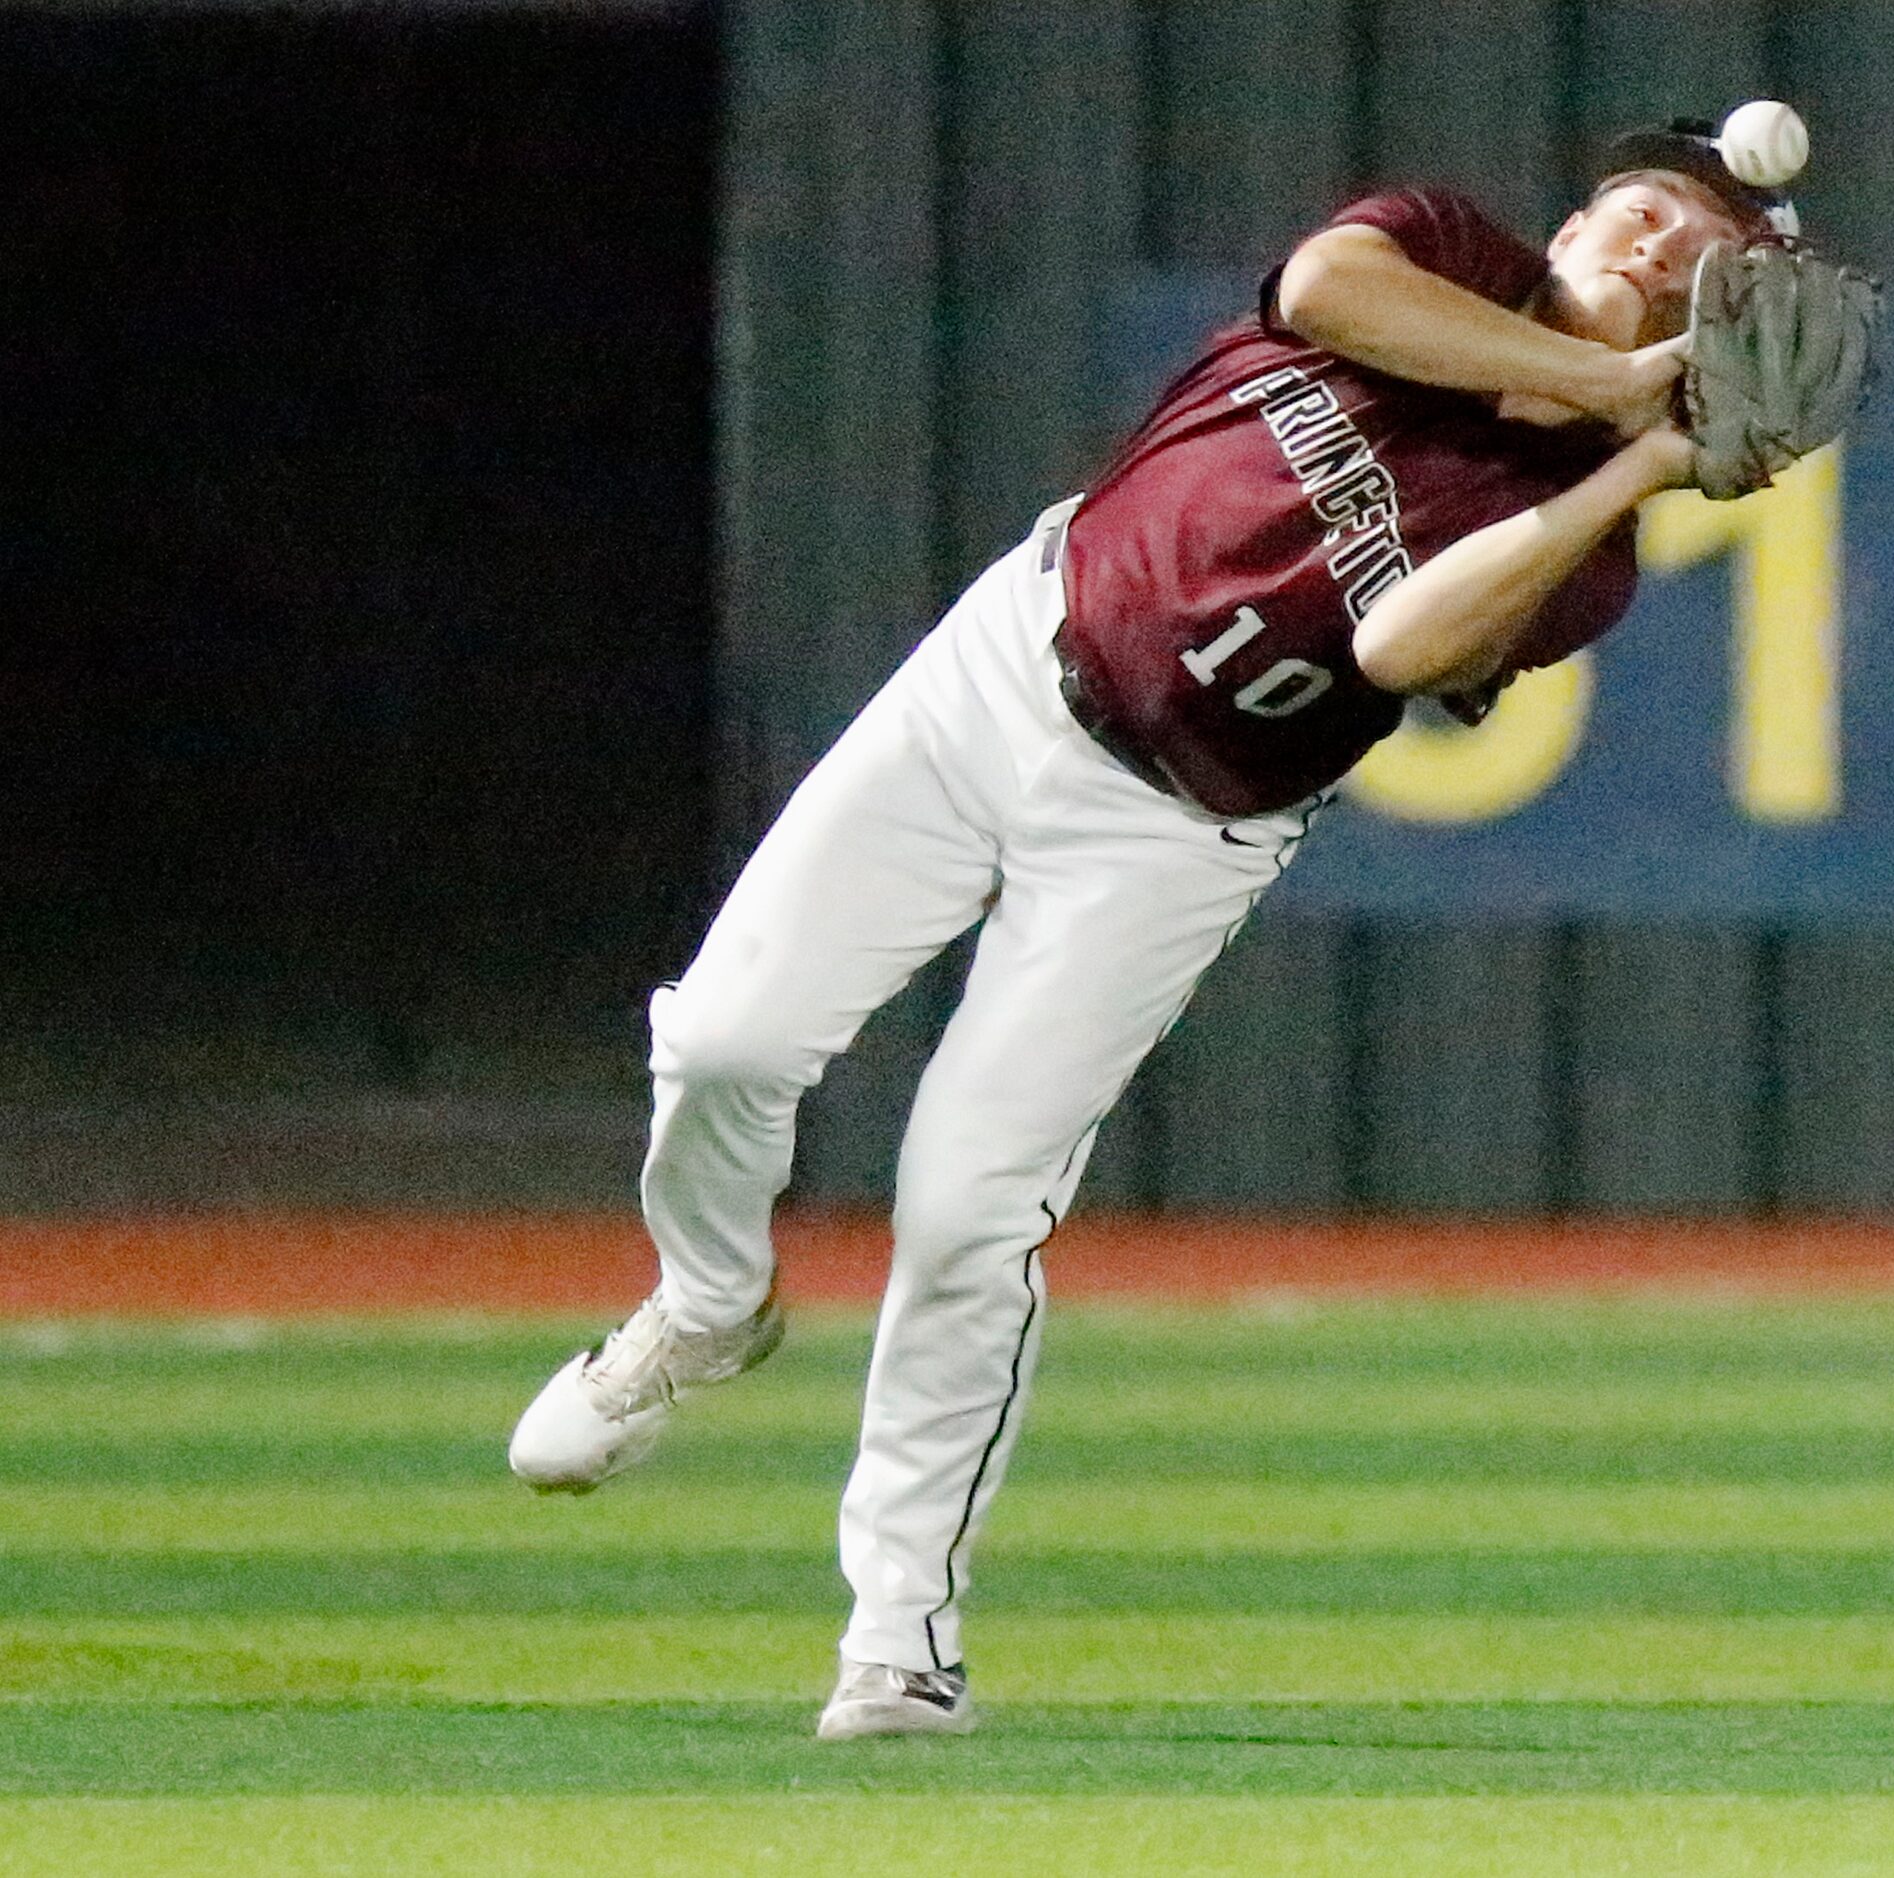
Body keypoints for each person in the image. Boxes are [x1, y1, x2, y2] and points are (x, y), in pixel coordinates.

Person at [508, 113, 1800, 1739]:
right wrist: (1626, 389)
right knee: (722, 1039)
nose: (1662, 243)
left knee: (971, 1203)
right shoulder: (1450, 251)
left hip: (1176, 827)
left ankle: (899, 1638)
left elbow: (1401, 646)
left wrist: (1635, 461)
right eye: (1644, 206)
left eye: (1708, 250)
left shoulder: (1589, 553)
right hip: (1007, 666)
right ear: (1568, 218)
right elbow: (1331, 288)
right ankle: (706, 1303)